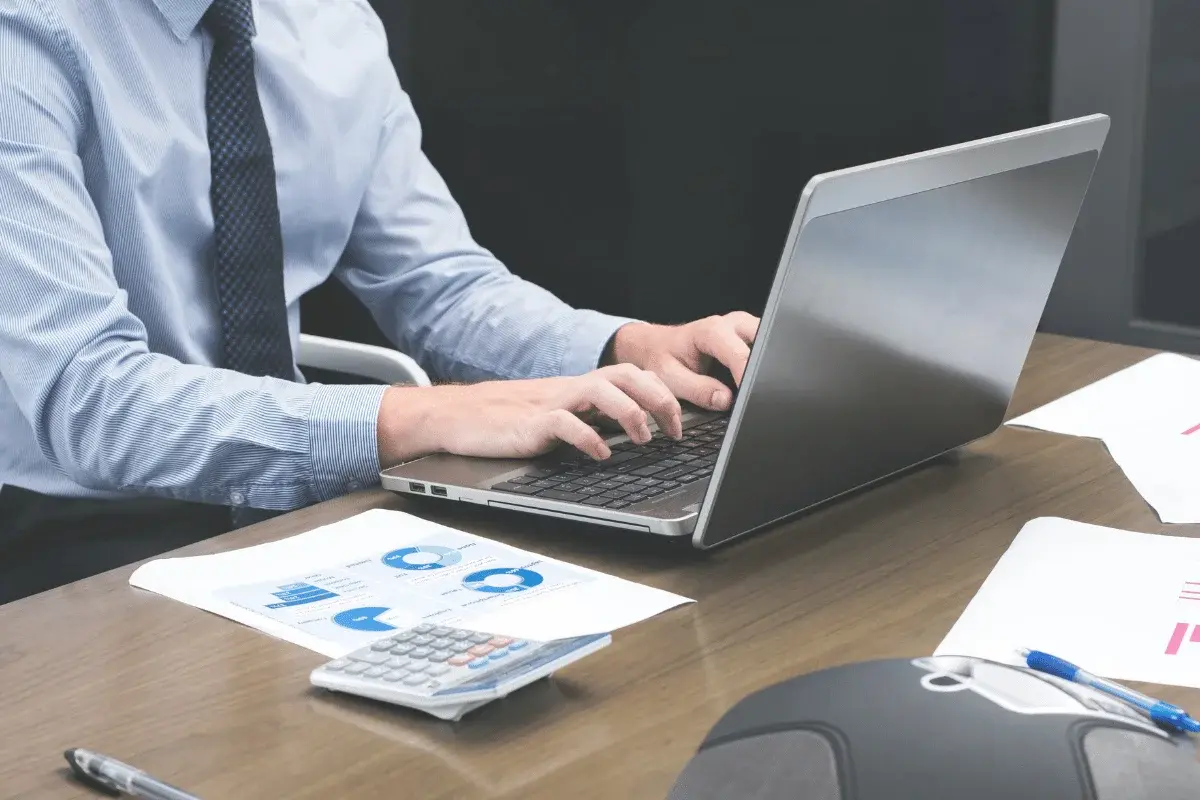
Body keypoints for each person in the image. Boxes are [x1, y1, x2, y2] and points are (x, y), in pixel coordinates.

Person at [0, 0, 759, 604]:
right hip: (84, 532)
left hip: (301, 502)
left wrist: (624, 346)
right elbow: (90, 399)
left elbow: (441, 287)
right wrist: (418, 416)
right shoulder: (26, 34)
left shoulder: (332, 23)